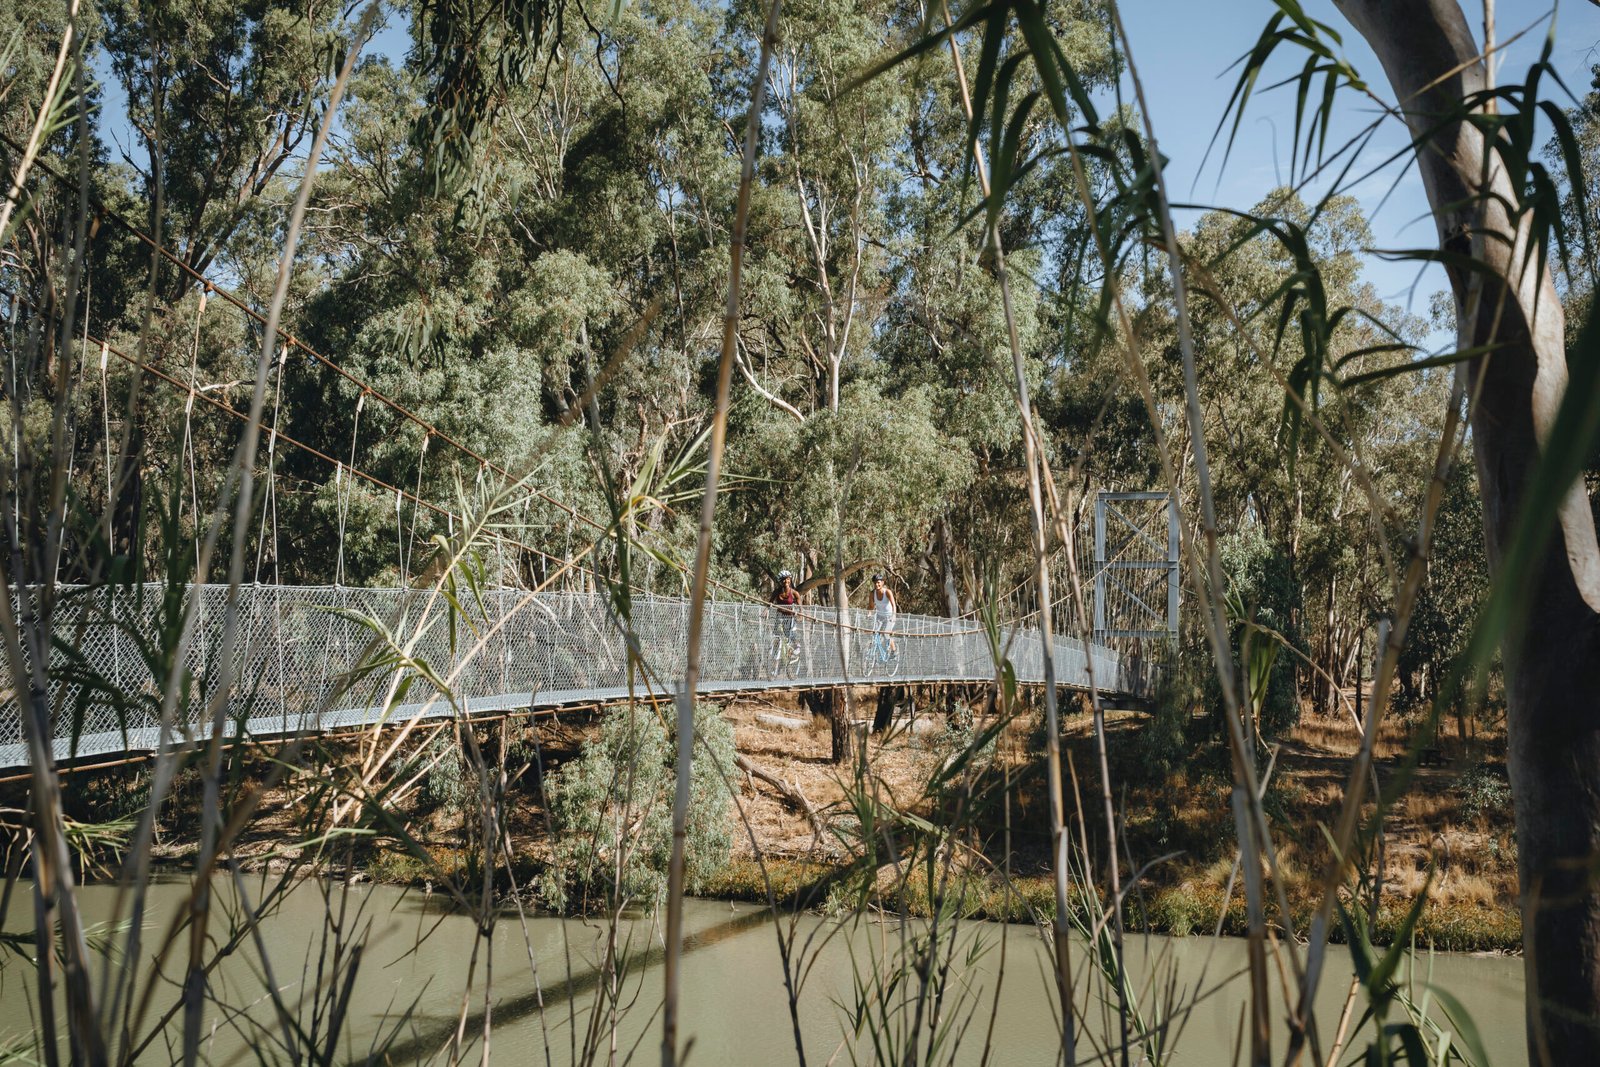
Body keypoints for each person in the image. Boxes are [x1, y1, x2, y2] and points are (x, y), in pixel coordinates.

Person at [771, 570, 801, 674]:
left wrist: (800, 614)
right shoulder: (777, 592)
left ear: (790, 579)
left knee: (791, 635)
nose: (786, 581)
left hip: (790, 618)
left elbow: (800, 606)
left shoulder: (794, 593)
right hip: (779, 617)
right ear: (780, 581)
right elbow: (769, 603)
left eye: (788, 579)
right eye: (783, 579)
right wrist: (765, 611)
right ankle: (777, 654)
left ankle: (797, 648)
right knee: (776, 635)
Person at [870, 573, 897, 663]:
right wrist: (869, 614)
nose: (876, 585)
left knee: (886, 633)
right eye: (875, 583)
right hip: (879, 617)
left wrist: (893, 616)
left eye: (878, 582)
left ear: (882, 582)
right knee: (874, 633)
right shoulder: (872, 593)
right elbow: (870, 606)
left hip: (889, 617)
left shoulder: (887, 592)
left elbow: (893, 605)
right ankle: (876, 653)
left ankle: (894, 652)